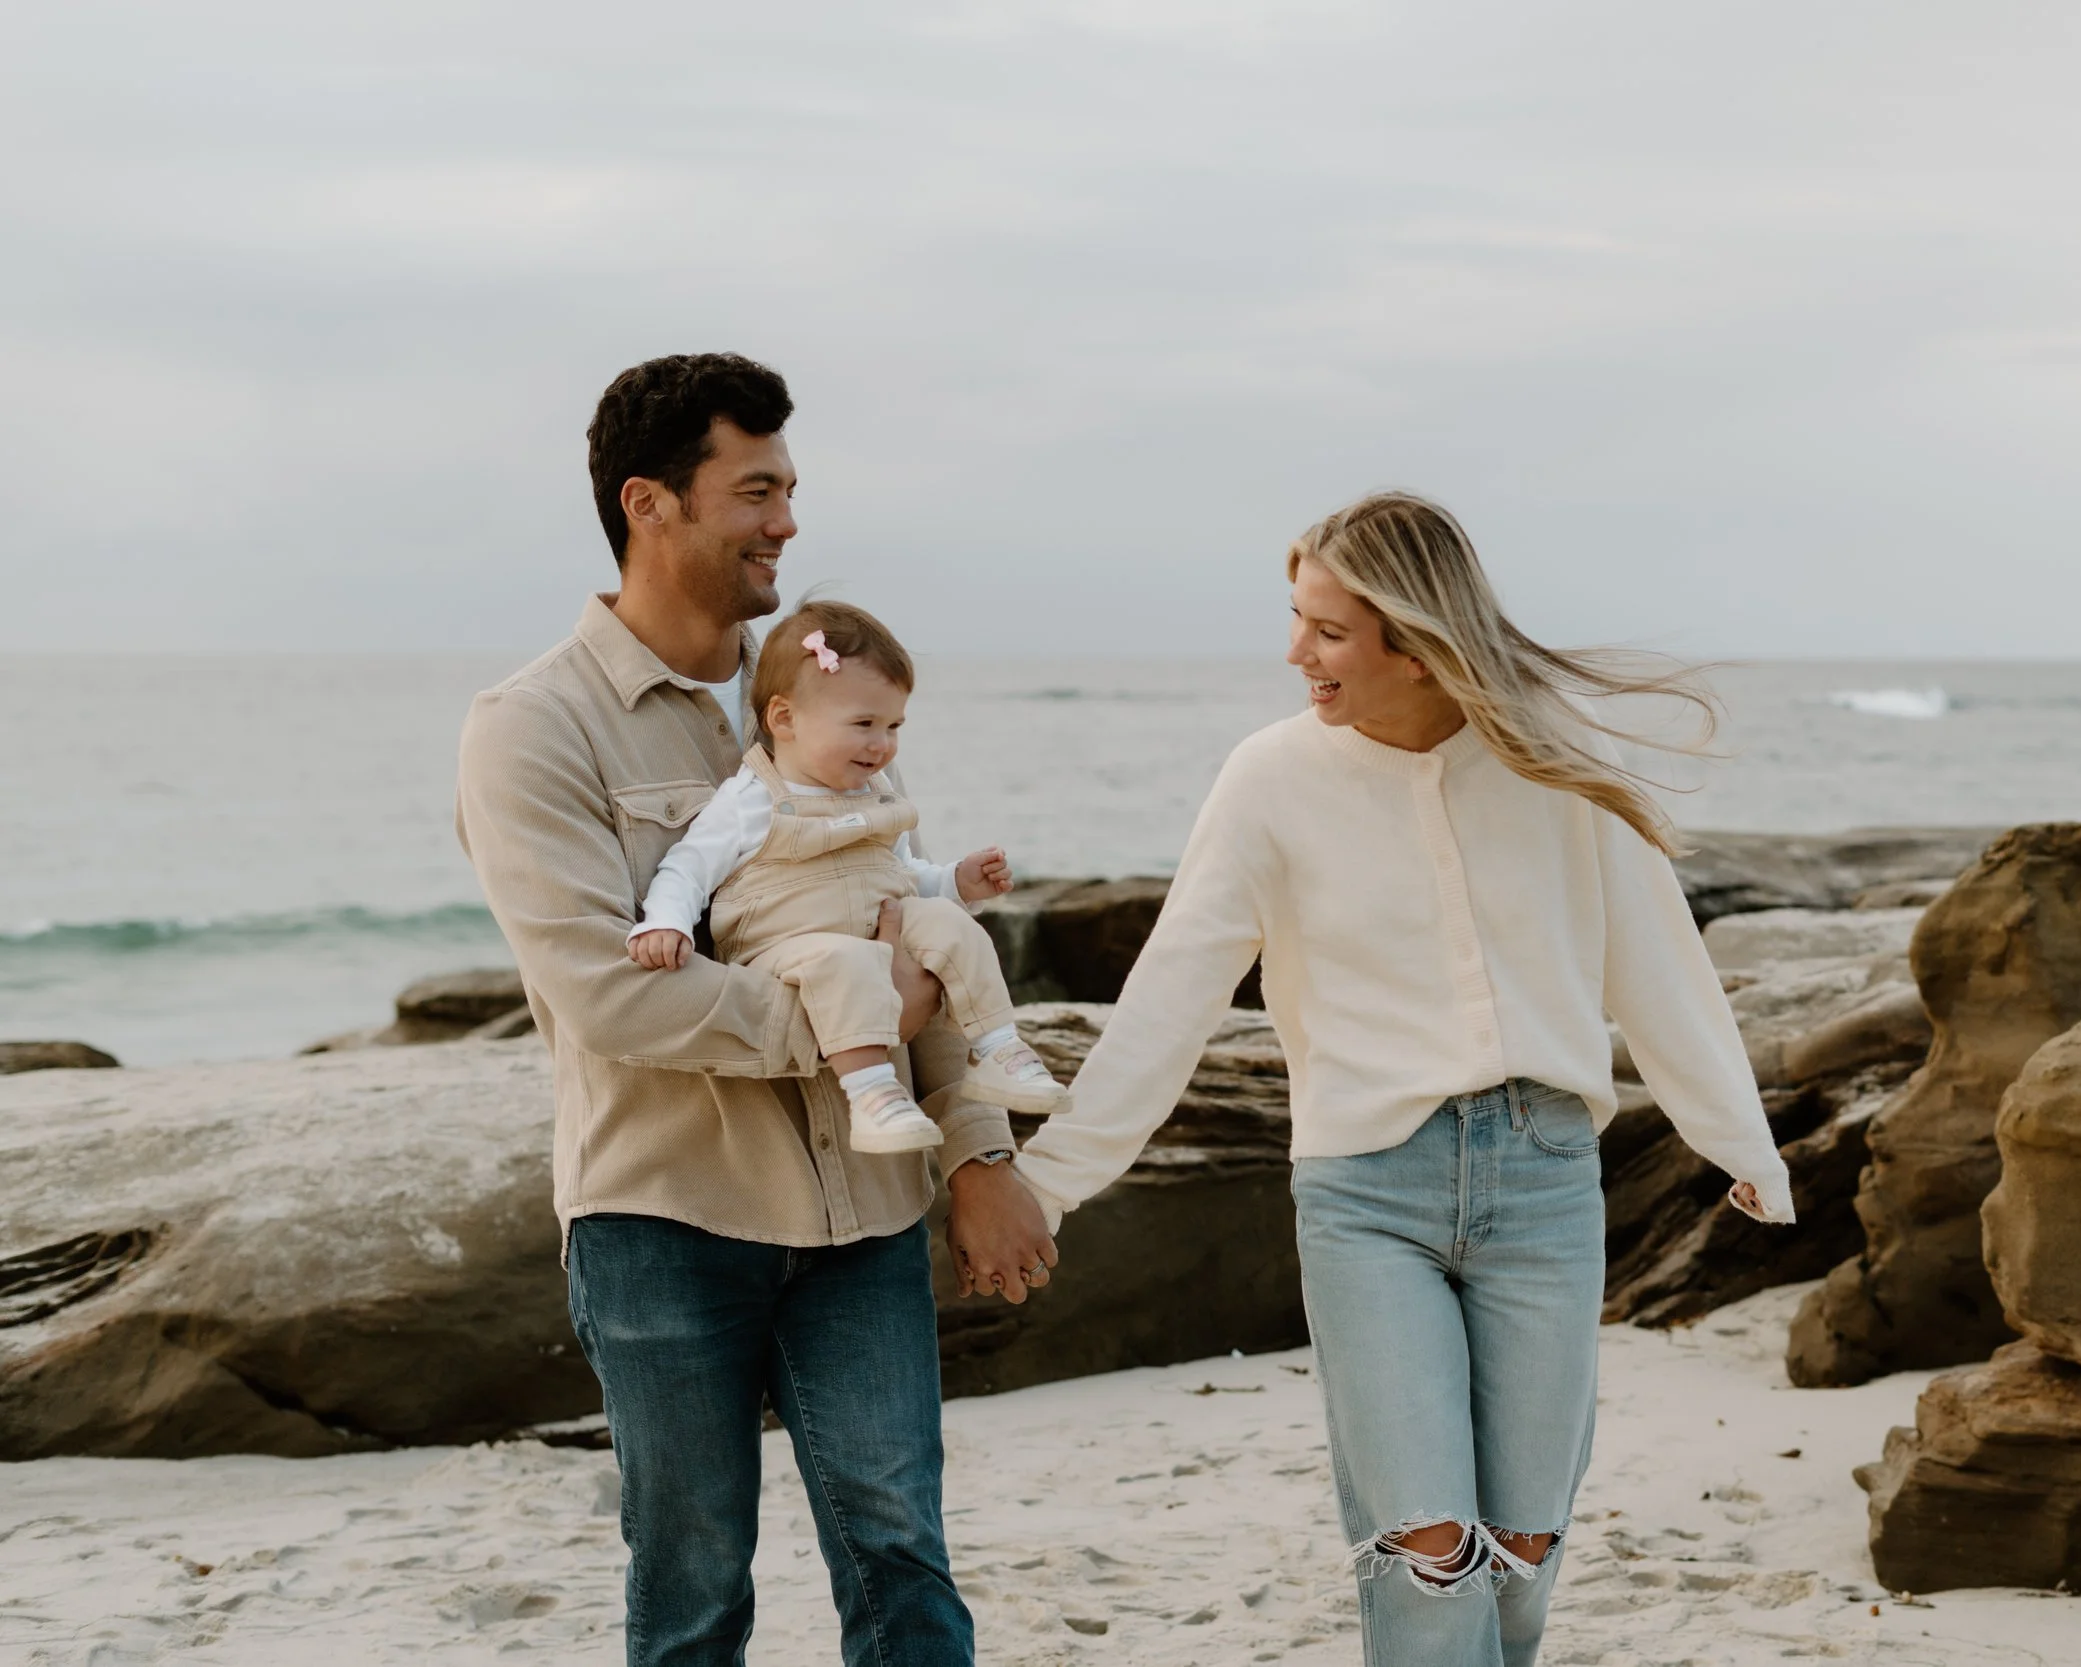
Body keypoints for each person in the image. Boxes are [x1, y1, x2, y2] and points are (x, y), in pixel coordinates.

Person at [1010, 492, 1792, 1667]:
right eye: (1297, 621)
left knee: (1520, 1557)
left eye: (1325, 630)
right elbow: (1172, 992)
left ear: (1415, 643)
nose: (1294, 653)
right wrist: (1051, 1178)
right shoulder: (1267, 778)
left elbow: (1660, 965)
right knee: (1432, 1557)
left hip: (1542, 1183)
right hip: (1366, 1194)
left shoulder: (1556, 761)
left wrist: (1744, 1145)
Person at [454, 352, 1058, 1667]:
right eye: (756, 489)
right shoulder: (531, 729)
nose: (788, 519)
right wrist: (864, 1024)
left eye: (791, 488)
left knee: (903, 1554)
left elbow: (899, 920)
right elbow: (611, 993)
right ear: (649, 503)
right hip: (664, 1220)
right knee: (691, 1587)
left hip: (865, 1217)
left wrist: (980, 1146)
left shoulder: (818, 682)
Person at [627, 597, 1071, 1153]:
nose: (882, 744)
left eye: (893, 725)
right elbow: (687, 867)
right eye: (863, 724)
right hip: (787, 948)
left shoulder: (877, 794)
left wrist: (957, 882)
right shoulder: (751, 798)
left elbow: (904, 875)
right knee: (847, 960)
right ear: (784, 720)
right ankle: (871, 1094)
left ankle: (999, 1048)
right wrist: (663, 921)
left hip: (876, 935)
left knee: (951, 925)